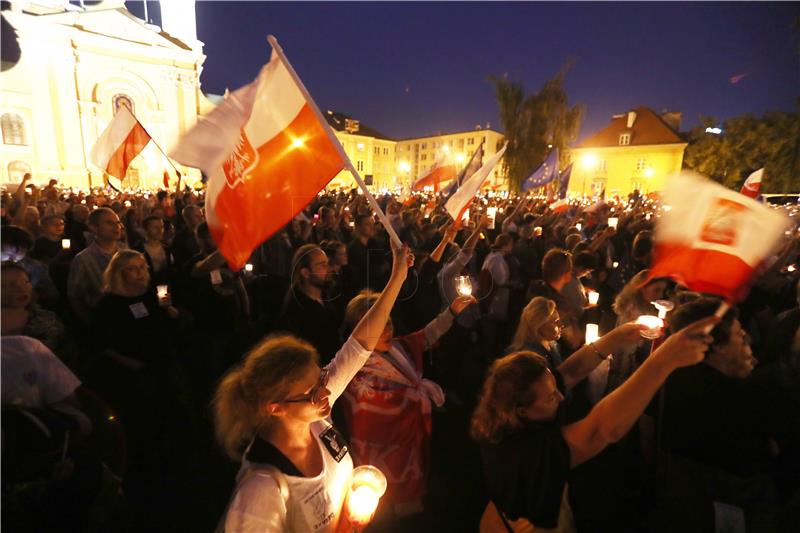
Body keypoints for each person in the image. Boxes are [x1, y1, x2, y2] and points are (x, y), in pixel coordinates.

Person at [213, 244, 413, 532]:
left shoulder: (316, 418)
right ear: (276, 408)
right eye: (311, 392)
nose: (325, 392)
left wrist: (398, 278)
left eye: (321, 379)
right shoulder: (262, 489)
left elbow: (360, 345)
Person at [471, 314, 717, 532]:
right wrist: (663, 361)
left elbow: (571, 371)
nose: (560, 396)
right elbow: (601, 429)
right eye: (550, 396)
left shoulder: (505, 409)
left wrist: (619, 335)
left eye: (555, 388)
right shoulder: (527, 451)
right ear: (522, 411)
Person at [654, 297, 798, 533]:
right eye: (740, 336)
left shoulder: (671, 376)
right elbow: (770, 450)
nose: (748, 341)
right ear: (717, 346)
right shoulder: (747, 396)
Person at [340, 290, 477, 517]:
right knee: (391, 505)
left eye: (389, 323)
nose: (388, 330)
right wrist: (416, 397)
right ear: (360, 331)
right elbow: (368, 414)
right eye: (379, 326)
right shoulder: (355, 369)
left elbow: (427, 335)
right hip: (387, 448)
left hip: (411, 439)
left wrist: (452, 311)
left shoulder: (396, 346)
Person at [1, 261, 78, 370]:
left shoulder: (48, 318)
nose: (21, 288)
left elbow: (69, 354)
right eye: (10, 285)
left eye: (25, 282)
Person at [279, 244, 343, 365]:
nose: (329, 268)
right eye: (322, 265)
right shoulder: (297, 310)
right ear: (305, 272)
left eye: (327, 263)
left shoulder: (327, 295)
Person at [67, 207, 125, 324]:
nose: (116, 227)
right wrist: (90, 322)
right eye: (109, 223)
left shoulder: (126, 252)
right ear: (94, 227)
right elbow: (75, 296)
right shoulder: (83, 259)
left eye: (118, 222)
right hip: (104, 319)